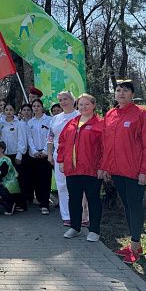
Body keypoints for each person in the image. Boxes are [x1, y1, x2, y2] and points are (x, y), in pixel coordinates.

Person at [101, 80, 146, 264]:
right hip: (117, 171)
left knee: (134, 207)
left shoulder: (142, 114)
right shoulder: (110, 114)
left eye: (126, 90)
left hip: (135, 172)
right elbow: (107, 144)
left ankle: (134, 247)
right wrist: (106, 166)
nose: (121, 93)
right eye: (118, 90)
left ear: (132, 94)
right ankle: (136, 244)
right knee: (127, 206)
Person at [57, 94, 103, 242]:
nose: (83, 107)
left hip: (91, 169)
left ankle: (94, 230)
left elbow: (105, 147)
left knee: (93, 199)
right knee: (74, 199)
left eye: (87, 104)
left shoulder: (100, 124)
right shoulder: (72, 123)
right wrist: (61, 160)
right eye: (81, 104)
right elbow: (62, 143)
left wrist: (102, 167)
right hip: (73, 169)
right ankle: (75, 227)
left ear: (93, 105)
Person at [47, 91, 80, 226]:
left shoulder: (79, 115)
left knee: (76, 186)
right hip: (59, 156)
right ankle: (66, 215)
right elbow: (50, 138)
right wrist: (50, 154)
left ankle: (79, 214)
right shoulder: (55, 119)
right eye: (60, 100)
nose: (63, 102)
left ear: (73, 100)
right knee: (62, 186)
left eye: (66, 99)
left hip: (77, 156)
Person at [0, 103, 28, 211]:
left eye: (11, 109)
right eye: (6, 110)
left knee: (18, 180)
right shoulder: (0, 123)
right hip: (4, 155)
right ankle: (9, 203)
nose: (9, 112)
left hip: (15, 155)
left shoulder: (19, 124)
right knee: (7, 181)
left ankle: (21, 203)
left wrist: (19, 155)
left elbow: (22, 140)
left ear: (14, 111)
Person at [27, 99, 53, 215]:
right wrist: (34, 151)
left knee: (45, 180)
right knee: (36, 180)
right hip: (34, 155)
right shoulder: (30, 122)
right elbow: (29, 138)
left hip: (45, 154)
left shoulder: (49, 120)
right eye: (34, 106)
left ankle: (45, 204)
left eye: (38, 106)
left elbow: (50, 136)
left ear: (42, 107)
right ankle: (40, 200)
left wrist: (45, 151)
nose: (36, 108)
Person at [18, 103, 34, 204]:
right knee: (24, 176)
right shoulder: (19, 123)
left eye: (28, 110)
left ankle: (31, 196)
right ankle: (25, 196)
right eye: (24, 110)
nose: (26, 112)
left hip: (34, 152)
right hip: (23, 152)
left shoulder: (34, 122)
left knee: (33, 175)